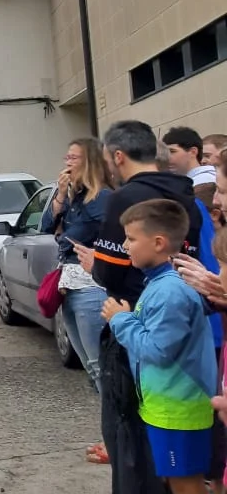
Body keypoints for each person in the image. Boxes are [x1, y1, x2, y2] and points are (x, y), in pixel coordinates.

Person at [74, 120, 204, 494]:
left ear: (118, 156)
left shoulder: (124, 198)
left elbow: (111, 272)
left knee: (128, 434)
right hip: (182, 333)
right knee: (169, 454)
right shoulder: (187, 195)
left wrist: (95, 264)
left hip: (131, 322)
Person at [103, 199, 216, 494]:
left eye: (131, 239)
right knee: (173, 481)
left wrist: (120, 319)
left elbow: (157, 351)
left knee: (186, 485)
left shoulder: (169, 291)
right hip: (165, 407)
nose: (125, 246)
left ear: (158, 242)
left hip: (178, 410)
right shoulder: (159, 284)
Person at [39, 140, 113, 397]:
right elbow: (47, 226)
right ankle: (108, 420)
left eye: (74, 158)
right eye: (67, 157)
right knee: (90, 366)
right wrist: (60, 195)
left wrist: (66, 236)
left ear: (90, 161)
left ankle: (115, 422)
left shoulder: (102, 198)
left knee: (99, 365)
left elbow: (80, 235)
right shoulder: (76, 196)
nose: (67, 163)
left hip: (91, 286)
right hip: (70, 285)